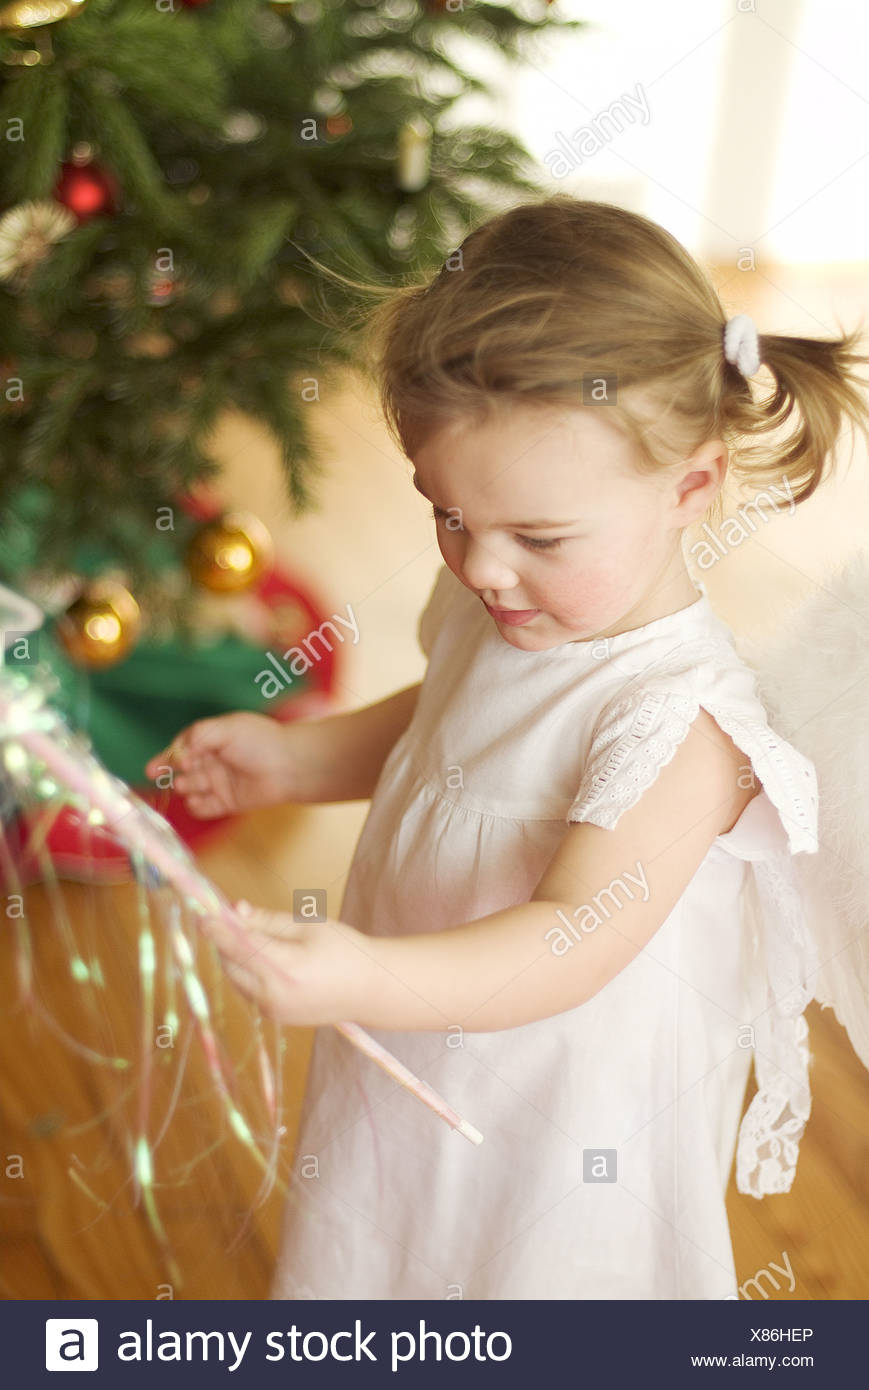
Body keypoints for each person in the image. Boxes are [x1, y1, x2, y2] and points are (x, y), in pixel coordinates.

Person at [145, 196, 869, 1299]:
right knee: (390, 1249)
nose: (482, 568)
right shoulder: (505, 600)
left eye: (536, 536)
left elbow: (566, 940)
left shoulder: (684, 726)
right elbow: (444, 715)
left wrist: (370, 973)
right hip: (417, 1051)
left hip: (560, 1125)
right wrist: (299, 760)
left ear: (692, 487)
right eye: (447, 515)